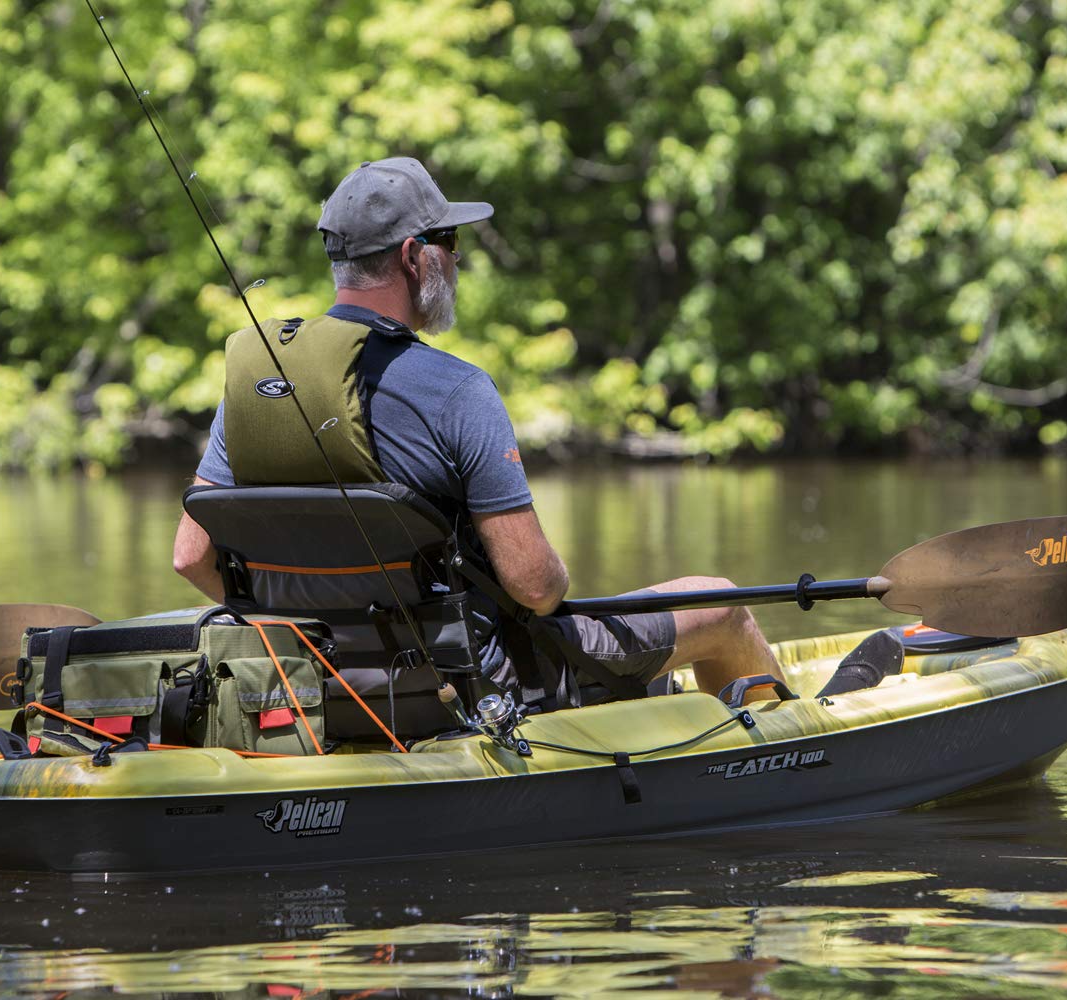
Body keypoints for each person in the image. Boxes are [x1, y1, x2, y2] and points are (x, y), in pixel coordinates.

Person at [172, 157, 782, 707]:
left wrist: (312, 634)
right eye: (450, 240)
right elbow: (535, 587)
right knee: (720, 600)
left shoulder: (257, 383)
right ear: (415, 256)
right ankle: (778, 756)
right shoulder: (458, 390)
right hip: (473, 684)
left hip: (305, 683)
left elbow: (190, 556)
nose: (457, 258)